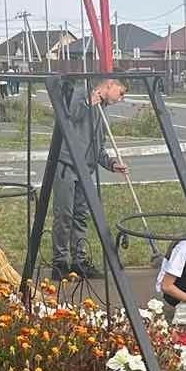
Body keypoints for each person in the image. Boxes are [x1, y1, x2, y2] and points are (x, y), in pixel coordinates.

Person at [51, 76, 129, 280]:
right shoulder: (80, 91)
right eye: (121, 93)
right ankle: (60, 262)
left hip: (85, 170)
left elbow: (99, 147)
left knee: (81, 216)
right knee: (64, 215)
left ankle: (79, 260)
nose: (121, 99)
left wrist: (111, 164)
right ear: (109, 84)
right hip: (67, 164)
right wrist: (87, 102)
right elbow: (68, 117)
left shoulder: (102, 110)